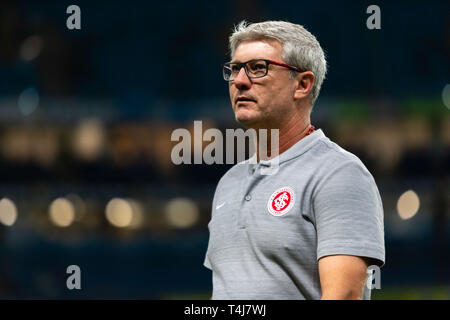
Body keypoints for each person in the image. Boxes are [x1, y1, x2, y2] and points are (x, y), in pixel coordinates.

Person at [203, 20, 385, 300]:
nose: (239, 81)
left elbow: (345, 295)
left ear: (302, 84)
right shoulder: (228, 183)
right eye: (235, 68)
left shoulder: (339, 174)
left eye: (257, 68)